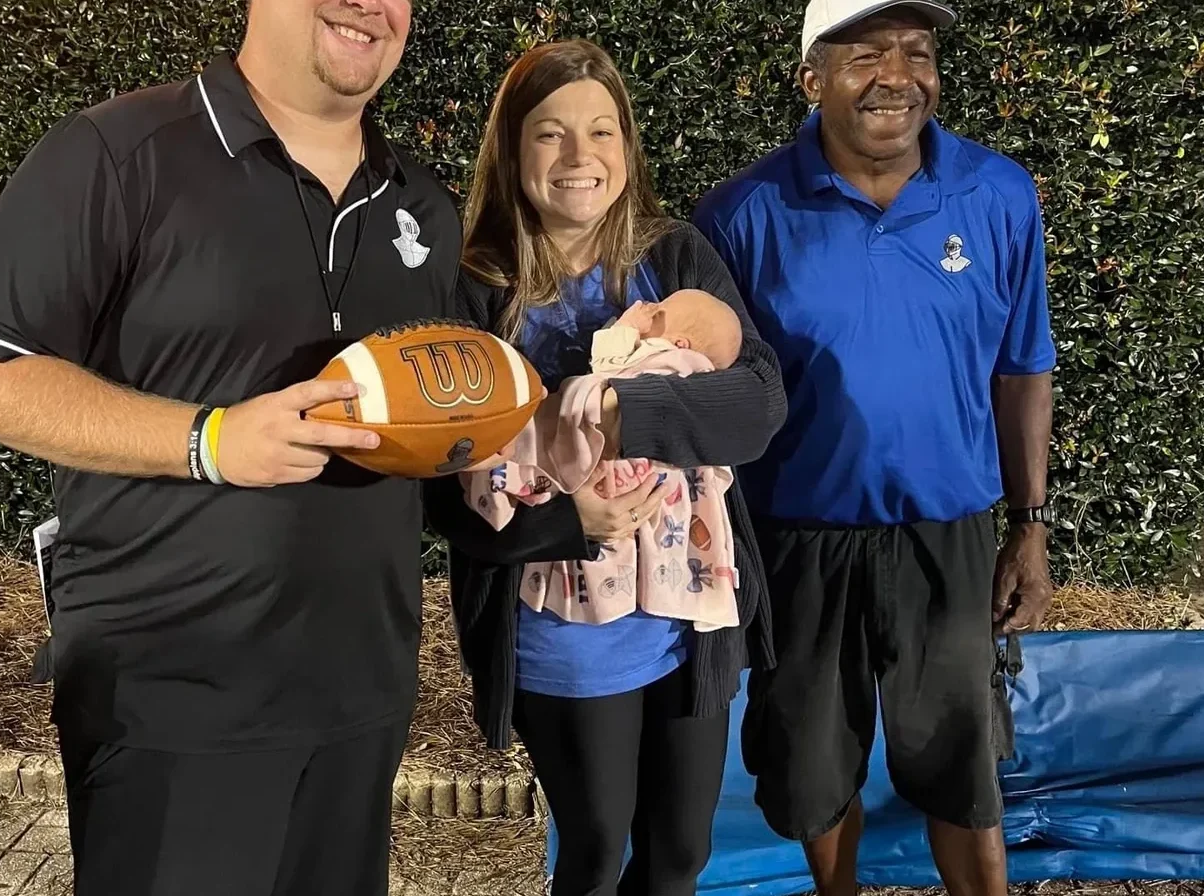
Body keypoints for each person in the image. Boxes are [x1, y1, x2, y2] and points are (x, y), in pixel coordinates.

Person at [0, 1, 460, 894]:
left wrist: (521, 477)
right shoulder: (120, 155)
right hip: (171, 706)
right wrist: (208, 438)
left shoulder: (421, 203)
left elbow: (429, 430)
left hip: (361, 700)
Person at [693, 2, 1057, 896]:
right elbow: (709, 398)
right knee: (815, 774)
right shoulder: (741, 212)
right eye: (865, 54)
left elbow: (1023, 369)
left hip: (952, 536)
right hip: (798, 540)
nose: (896, 74)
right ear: (812, 79)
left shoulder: (998, 192)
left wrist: (1031, 522)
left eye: (917, 51)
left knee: (965, 774)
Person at [422, 38, 786, 896]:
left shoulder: (676, 260)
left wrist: (626, 411)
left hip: (689, 605)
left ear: (628, 147)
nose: (580, 157)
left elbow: (760, 404)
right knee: (594, 852)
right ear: (511, 151)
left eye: (601, 131)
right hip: (565, 627)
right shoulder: (473, 288)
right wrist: (565, 523)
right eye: (550, 134)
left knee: (679, 858)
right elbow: (437, 483)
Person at [461, 287, 746, 634]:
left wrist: (625, 328)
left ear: (681, 342)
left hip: (611, 456)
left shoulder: (669, 360)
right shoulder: (697, 373)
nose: (647, 309)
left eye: (660, 313)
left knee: (535, 448)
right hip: (629, 474)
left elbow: (609, 366)